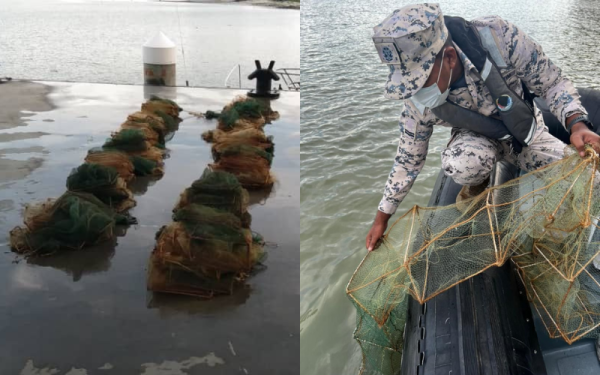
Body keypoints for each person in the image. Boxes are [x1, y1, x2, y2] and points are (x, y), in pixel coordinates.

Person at [365, 3, 600, 251]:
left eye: (420, 81)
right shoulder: (417, 102)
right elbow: (408, 159)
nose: (414, 92)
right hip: (476, 141)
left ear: (450, 58)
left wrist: (576, 123)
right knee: (462, 163)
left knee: (592, 182)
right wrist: (382, 218)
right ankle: (477, 187)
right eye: (407, 84)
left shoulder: (497, 36)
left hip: (527, 133)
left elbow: (552, 83)